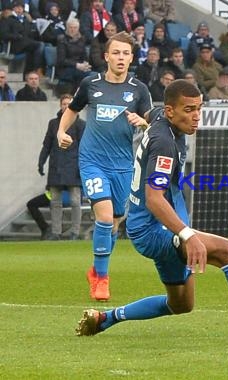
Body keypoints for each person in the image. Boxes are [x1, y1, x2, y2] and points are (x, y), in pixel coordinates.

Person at [75, 79, 228, 341]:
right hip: (153, 228)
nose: (196, 117)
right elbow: (154, 199)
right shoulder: (164, 143)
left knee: (181, 304)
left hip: (155, 225)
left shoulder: (163, 116)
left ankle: (105, 319)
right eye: (189, 110)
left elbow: (152, 113)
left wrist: (143, 120)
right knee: (227, 251)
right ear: (171, 111)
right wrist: (187, 235)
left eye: (199, 108)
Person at [57, 31, 153, 302]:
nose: (121, 57)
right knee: (103, 216)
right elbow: (73, 109)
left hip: (123, 164)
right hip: (92, 161)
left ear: (132, 58)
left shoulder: (139, 89)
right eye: (116, 53)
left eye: (126, 53)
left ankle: (95, 270)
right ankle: (101, 278)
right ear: (107, 56)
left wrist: (143, 122)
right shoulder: (91, 83)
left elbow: (151, 119)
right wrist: (61, 132)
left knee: (114, 223)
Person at [38, 93, 85, 240]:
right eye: (64, 104)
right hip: (56, 166)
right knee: (55, 202)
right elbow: (47, 145)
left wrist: (83, 167)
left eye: (69, 104)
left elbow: (85, 147)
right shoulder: (53, 123)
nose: (66, 106)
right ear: (60, 105)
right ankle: (56, 232)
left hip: (74, 166)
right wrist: (41, 161)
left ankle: (75, 232)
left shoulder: (80, 124)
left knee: (75, 202)